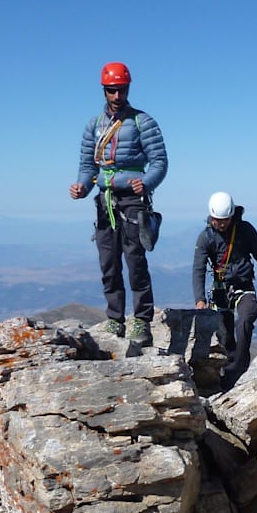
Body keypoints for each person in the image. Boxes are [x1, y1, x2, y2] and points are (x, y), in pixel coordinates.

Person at [68, 62, 167, 346]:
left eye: (121, 90)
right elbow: (88, 167)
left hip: (133, 200)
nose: (117, 96)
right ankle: (115, 318)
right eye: (112, 90)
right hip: (105, 201)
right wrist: (82, 187)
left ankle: (142, 320)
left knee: (135, 261)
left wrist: (146, 183)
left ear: (127, 89)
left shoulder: (142, 122)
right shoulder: (94, 126)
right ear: (104, 90)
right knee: (108, 262)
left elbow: (159, 162)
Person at [192, 191, 257, 391]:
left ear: (232, 216)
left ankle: (239, 369)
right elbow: (198, 269)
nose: (221, 224)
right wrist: (199, 299)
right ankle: (229, 379)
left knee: (246, 318)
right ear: (211, 216)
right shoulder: (206, 237)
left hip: (244, 287)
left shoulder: (245, 230)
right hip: (220, 291)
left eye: (225, 220)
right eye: (218, 220)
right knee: (226, 336)